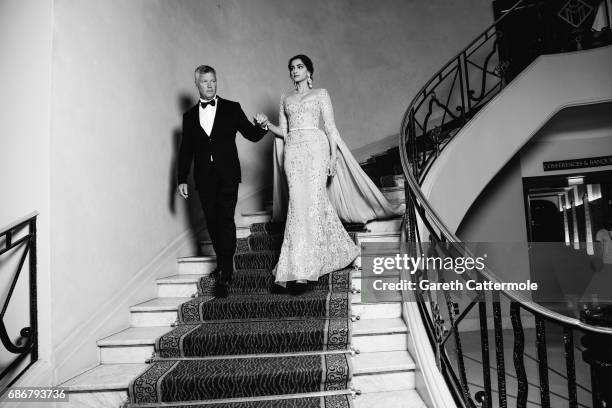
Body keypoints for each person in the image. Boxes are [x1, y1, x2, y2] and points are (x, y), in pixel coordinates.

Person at [258, 54, 403, 288]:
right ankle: (295, 266)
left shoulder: (321, 94)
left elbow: (331, 128)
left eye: (299, 67)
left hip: (316, 149)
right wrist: (266, 125)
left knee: (314, 203)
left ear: (309, 71)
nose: (295, 71)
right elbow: (283, 132)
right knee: (297, 206)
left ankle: (306, 268)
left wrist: (333, 157)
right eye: (291, 68)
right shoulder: (285, 98)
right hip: (293, 153)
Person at [177, 65, 269, 296]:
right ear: (197, 84)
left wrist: (263, 125)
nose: (210, 85)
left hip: (228, 174)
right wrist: (181, 179)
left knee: (225, 219)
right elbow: (185, 150)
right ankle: (223, 262)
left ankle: (225, 273)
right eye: (205, 82)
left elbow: (251, 134)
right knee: (212, 221)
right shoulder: (188, 117)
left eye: (213, 81)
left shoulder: (231, 108)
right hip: (203, 177)